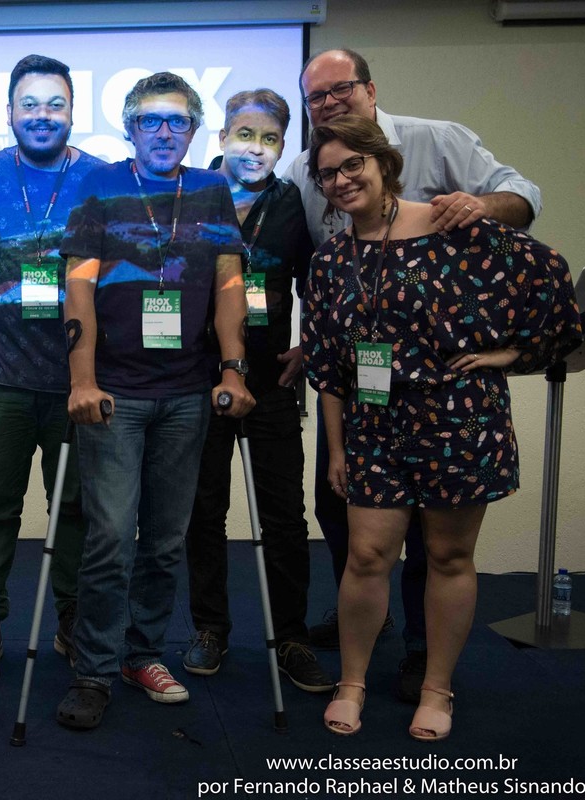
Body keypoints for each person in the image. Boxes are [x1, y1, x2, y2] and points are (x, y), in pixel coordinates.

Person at [302, 115, 580, 741]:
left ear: (382, 164)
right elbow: (328, 366)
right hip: (376, 426)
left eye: (353, 166)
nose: (343, 180)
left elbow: (550, 274)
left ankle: (437, 689)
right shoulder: (331, 260)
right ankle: (353, 683)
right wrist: (336, 451)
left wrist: (513, 354)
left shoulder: (455, 227)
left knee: (450, 556)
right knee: (367, 556)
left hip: (460, 419)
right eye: (328, 174)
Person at [283, 48, 543, 702]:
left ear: (370, 89)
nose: (330, 103)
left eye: (341, 89)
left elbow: (527, 207)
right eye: (316, 97)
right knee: (347, 526)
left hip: (449, 402)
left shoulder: (440, 141)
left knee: (438, 544)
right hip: (365, 396)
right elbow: (315, 277)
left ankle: (426, 662)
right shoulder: (300, 173)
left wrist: (479, 208)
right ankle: (369, 633)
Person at [53, 72, 253, 731]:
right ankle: (92, 670)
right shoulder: (99, 186)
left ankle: (142, 654)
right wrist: (82, 379)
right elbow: (76, 287)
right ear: (130, 129)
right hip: (113, 392)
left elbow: (229, 285)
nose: (163, 133)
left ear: (193, 131)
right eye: (149, 121)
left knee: (166, 539)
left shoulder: (211, 189)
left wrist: (232, 368)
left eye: (176, 122)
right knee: (110, 537)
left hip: (189, 393)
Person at [0, 54, 104, 684]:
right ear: (9, 111)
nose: (42, 116)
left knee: (74, 508)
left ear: (73, 111)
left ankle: (71, 619)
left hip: (77, 378)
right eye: (30, 105)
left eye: (55, 105)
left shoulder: (101, 178)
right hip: (0, 378)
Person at [183, 89, 330, 692]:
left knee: (284, 517)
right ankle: (210, 629)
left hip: (271, 380)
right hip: (197, 377)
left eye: (270, 139)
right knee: (203, 511)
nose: (257, 149)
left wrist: (311, 344)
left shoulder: (292, 203)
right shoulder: (190, 196)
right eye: (245, 135)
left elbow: (316, 282)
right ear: (221, 139)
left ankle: (291, 636)